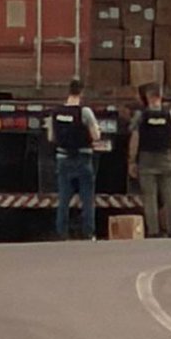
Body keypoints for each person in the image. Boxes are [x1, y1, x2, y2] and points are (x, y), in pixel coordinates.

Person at [49, 79, 101, 240]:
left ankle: (62, 232)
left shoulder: (56, 112)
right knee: (87, 198)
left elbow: (51, 137)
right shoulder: (84, 112)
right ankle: (88, 232)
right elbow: (96, 136)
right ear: (82, 92)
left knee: (63, 198)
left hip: (63, 158)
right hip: (82, 158)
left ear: (68, 91)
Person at [128, 85, 171, 238]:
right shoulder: (169, 114)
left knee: (150, 197)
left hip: (147, 159)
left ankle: (154, 231)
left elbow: (135, 138)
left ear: (149, 97)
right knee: (169, 196)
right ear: (160, 96)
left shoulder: (142, 116)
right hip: (166, 158)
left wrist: (132, 160)